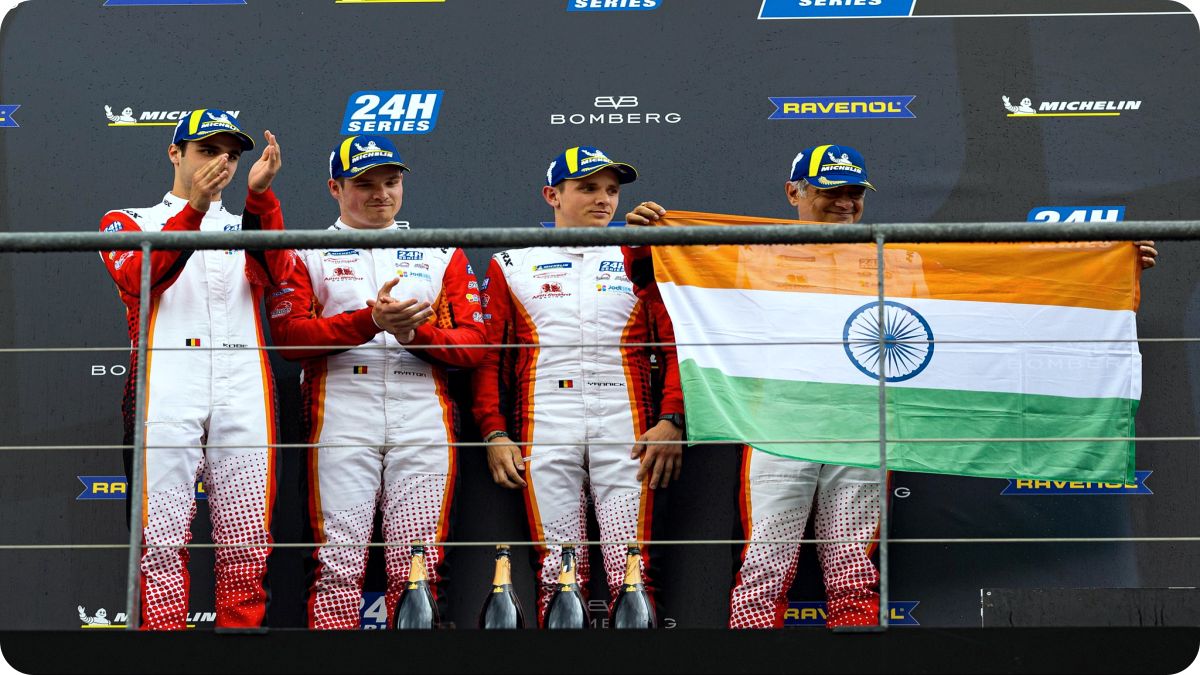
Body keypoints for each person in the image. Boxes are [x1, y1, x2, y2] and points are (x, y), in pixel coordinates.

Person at [625, 143, 1159, 629]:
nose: (844, 203)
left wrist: (1106, 266)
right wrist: (646, 242)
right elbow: (673, 300)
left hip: (863, 431)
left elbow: (976, 305)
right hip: (778, 430)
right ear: (794, 192)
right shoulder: (753, 251)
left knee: (853, 574)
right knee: (763, 571)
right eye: (831, 191)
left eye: (854, 193)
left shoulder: (894, 256)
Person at [266, 135, 486, 629]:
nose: (381, 194)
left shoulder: (439, 251)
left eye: (391, 182)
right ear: (335, 188)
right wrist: (370, 322)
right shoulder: (306, 252)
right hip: (340, 413)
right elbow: (289, 338)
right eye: (365, 184)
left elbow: (475, 344)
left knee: (419, 566)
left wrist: (413, 333)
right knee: (337, 564)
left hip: (424, 415)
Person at [471, 146, 685, 625]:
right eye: (588, 188)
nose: (603, 199)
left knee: (633, 567)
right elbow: (490, 359)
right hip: (545, 421)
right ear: (552, 195)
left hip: (629, 425)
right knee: (557, 570)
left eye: (611, 190)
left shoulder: (642, 257)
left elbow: (678, 345)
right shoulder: (513, 261)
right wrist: (493, 431)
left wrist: (673, 418)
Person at [98, 109, 288, 630]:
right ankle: (165, 658)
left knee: (247, 543)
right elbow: (140, 277)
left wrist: (261, 198)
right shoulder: (127, 220)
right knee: (159, 543)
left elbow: (279, 274)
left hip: (244, 387)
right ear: (174, 153)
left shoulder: (250, 220)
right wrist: (195, 209)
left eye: (230, 154)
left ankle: (238, 656)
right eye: (206, 150)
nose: (219, 162)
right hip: (165, 388)